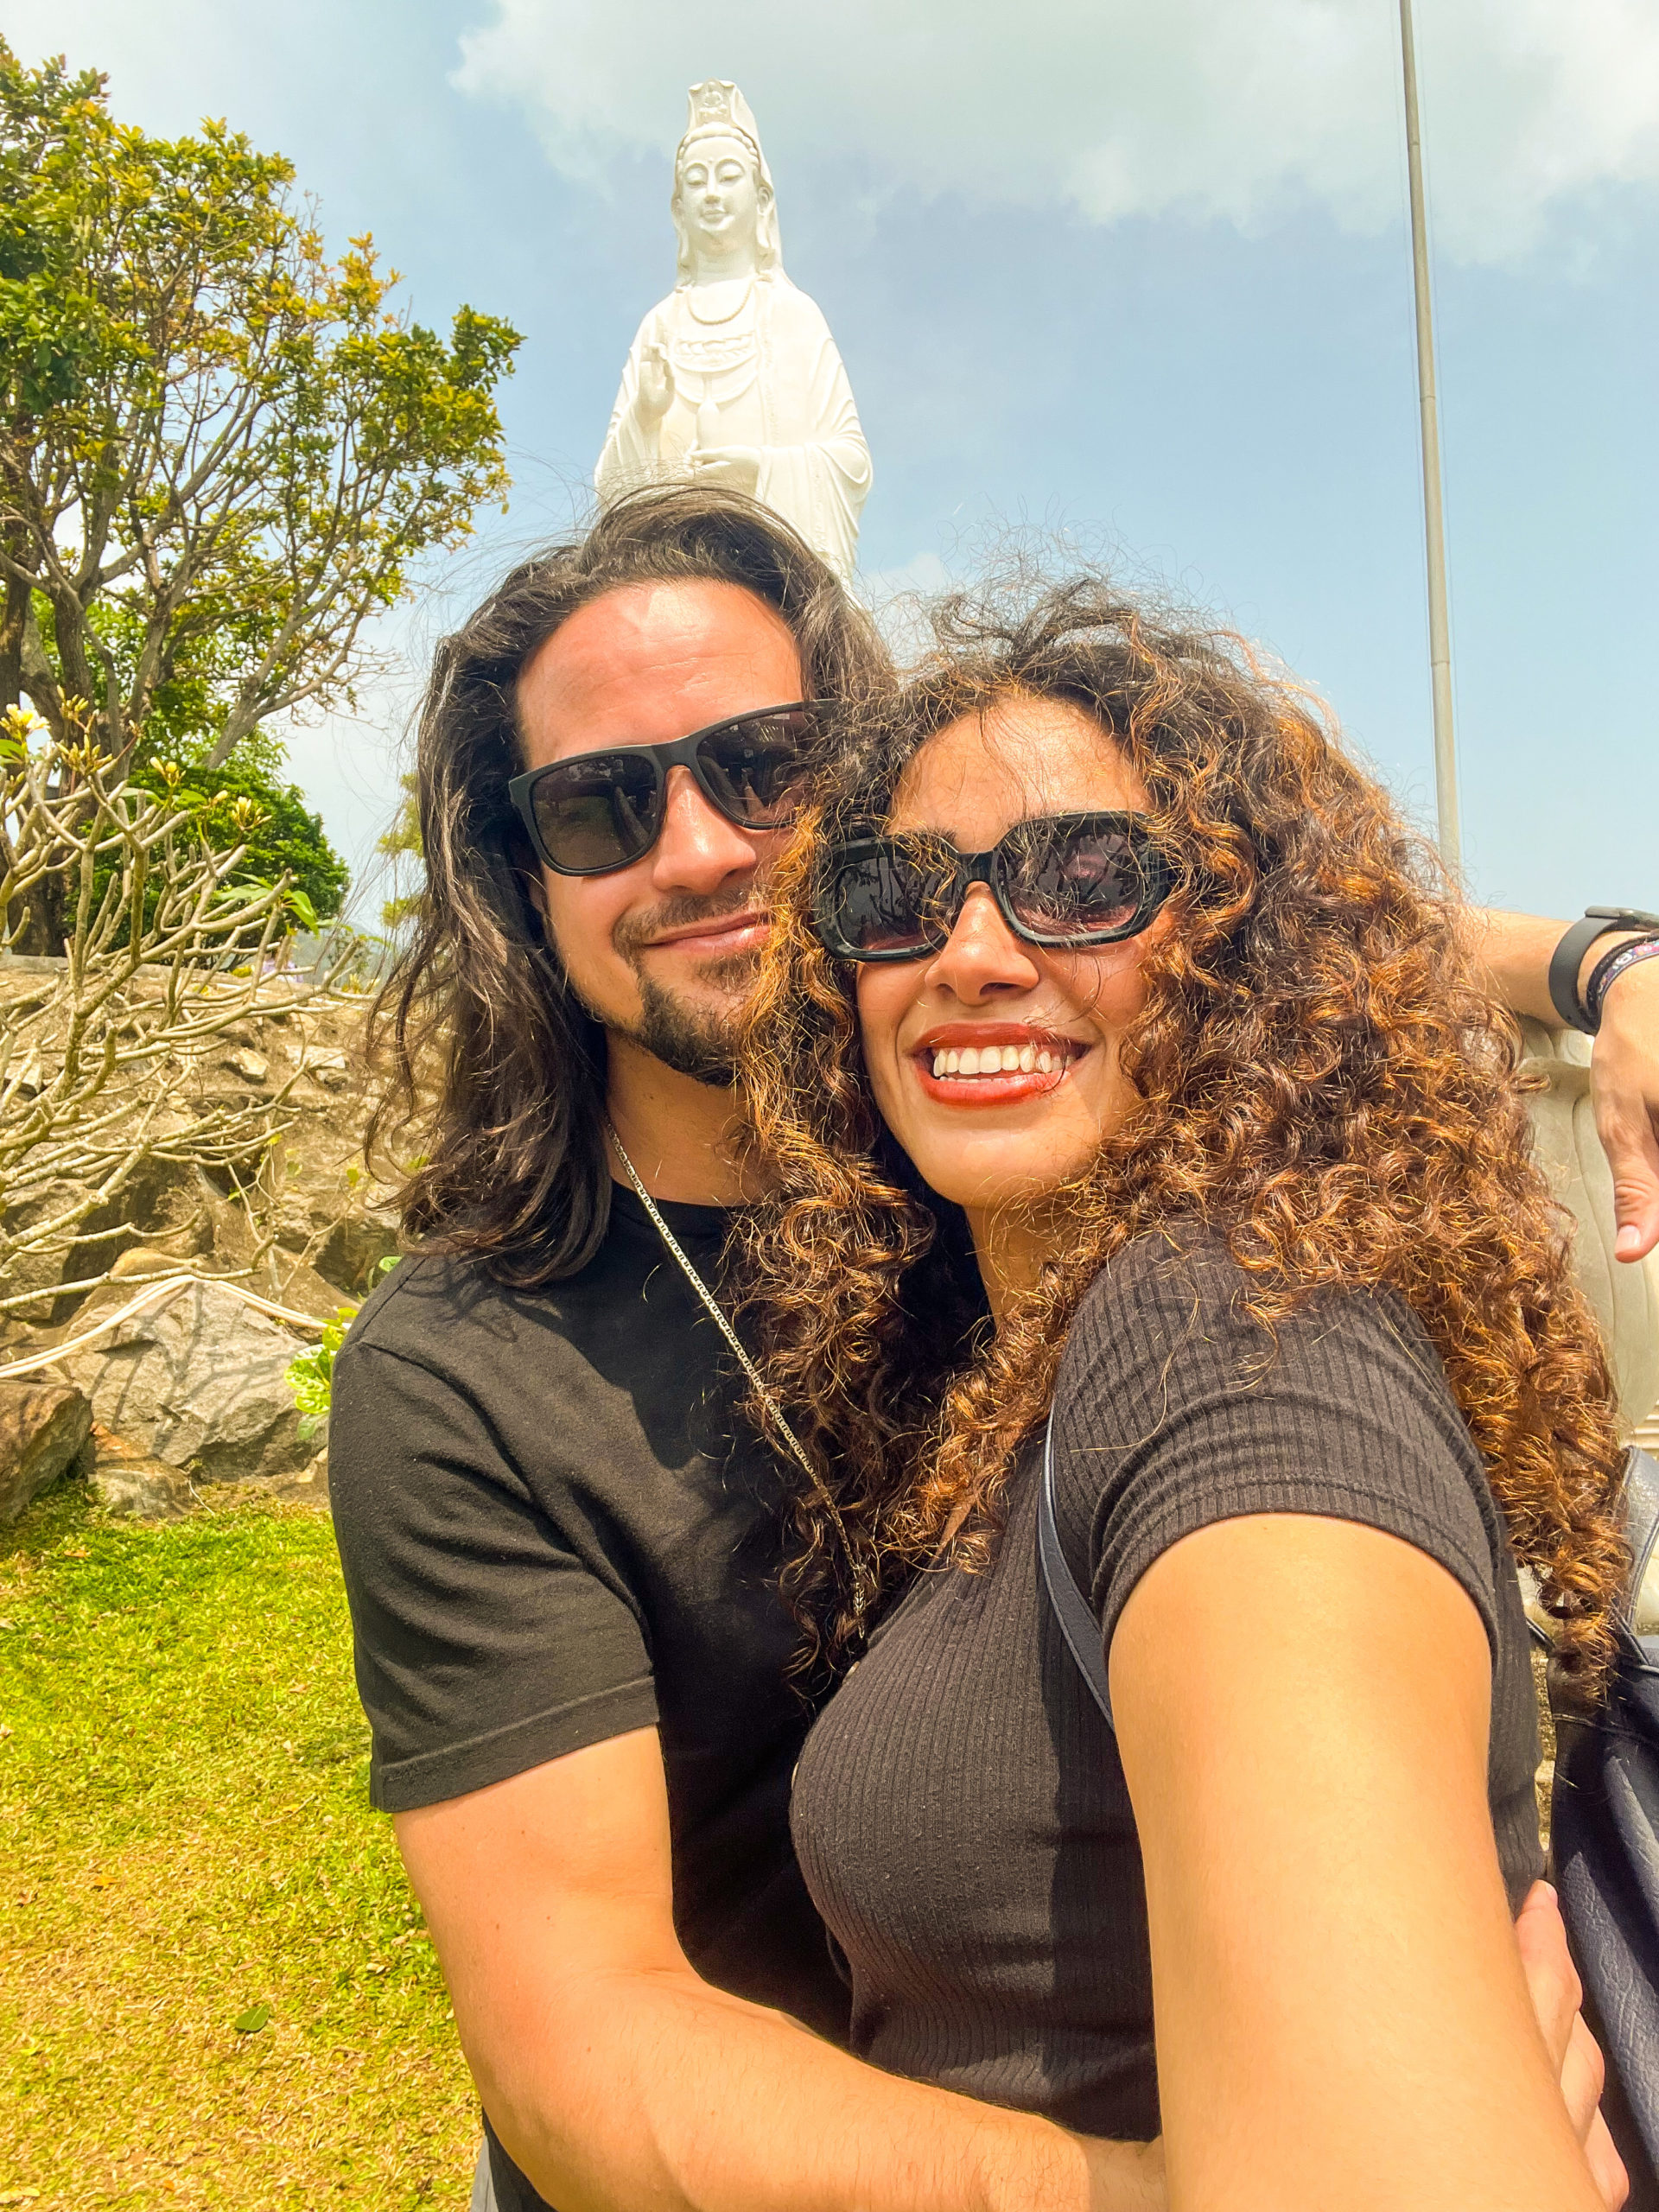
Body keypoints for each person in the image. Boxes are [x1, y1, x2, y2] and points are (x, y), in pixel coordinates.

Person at [327, 485, 1656, 2212]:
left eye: (763, 766)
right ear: (522, 876)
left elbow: (1274, 902)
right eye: (598, 805)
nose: (703, 848)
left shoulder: (1068, 1199)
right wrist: (1152, 2185)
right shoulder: (469, 1365)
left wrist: (1605, 960)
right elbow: (589, 2051)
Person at [734, 574, 1642, 2210]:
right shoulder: (1005, 1377)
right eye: (894, 893)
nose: (974, 952)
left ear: (1244, 953)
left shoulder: (1220, 1329)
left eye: (1086, 877)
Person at [594, 80, 873, 579]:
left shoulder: (793, 313)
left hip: (775, 579)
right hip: (675, 580)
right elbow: (609, 489)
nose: (713, 195)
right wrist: (645, 416)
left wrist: (761, 471)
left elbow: (851, 463)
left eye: (728, 177)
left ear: (762, 200)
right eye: (696, 182)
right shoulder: (660, 323)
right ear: (678, 210)